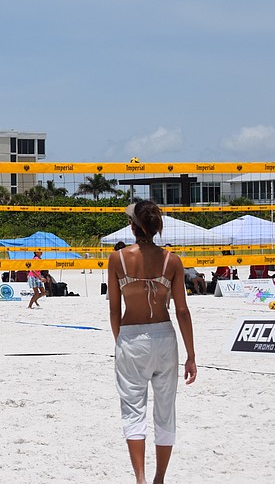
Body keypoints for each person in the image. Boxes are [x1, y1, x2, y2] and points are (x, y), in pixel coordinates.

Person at [108, 201, 196, 484]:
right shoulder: (173, 260)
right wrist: (191, 355)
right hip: (164, 336)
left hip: (131, 335)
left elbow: (113, 309)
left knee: (133, 412)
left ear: (133, 227)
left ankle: (141, 480)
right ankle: (160, 479)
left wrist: (120, 339)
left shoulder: (118, 258)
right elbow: (182, 311)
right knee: (165, 411)